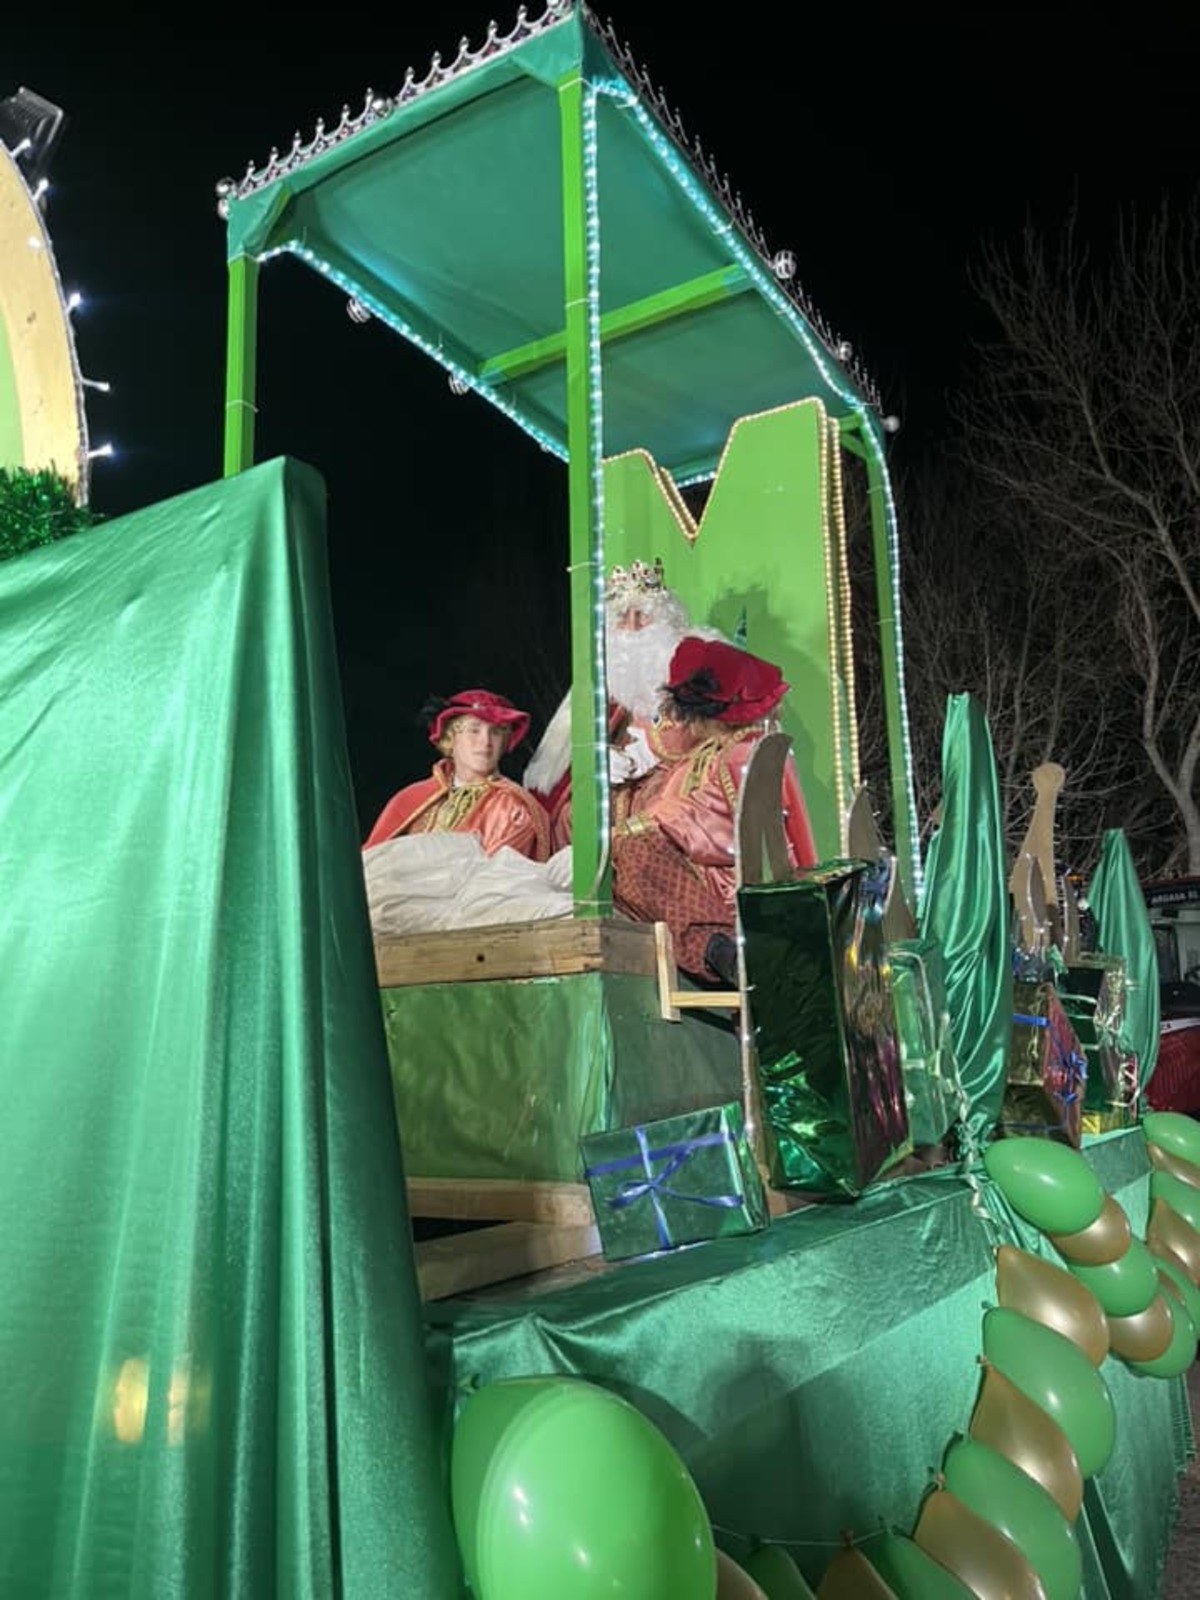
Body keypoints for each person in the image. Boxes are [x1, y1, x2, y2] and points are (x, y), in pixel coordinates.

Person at [611, 636, 818, 986]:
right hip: (740, 883)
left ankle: (721, 950)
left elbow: (713, 824)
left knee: (634, 855)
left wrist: (641, 827)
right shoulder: (733, 749)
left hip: (735, 892)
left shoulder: (743, 753)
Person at [523, 557, 724, 849]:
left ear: (666, 620)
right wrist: (605, 759)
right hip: (631, 782)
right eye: (622, 617)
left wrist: (651, 755)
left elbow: (716, 736)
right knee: (575, 815)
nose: (632, 627)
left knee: (648, 819)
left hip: (685, 780)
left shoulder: (696, 665)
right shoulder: (611, 677)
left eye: (643, 614)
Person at [364, 689, 551, 861]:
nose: (485, 742)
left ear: (505, 743)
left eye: (496, 732)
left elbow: (496, 880)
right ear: (450, 738)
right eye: (474, 729)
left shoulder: (512, 809)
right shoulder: (411, 798)